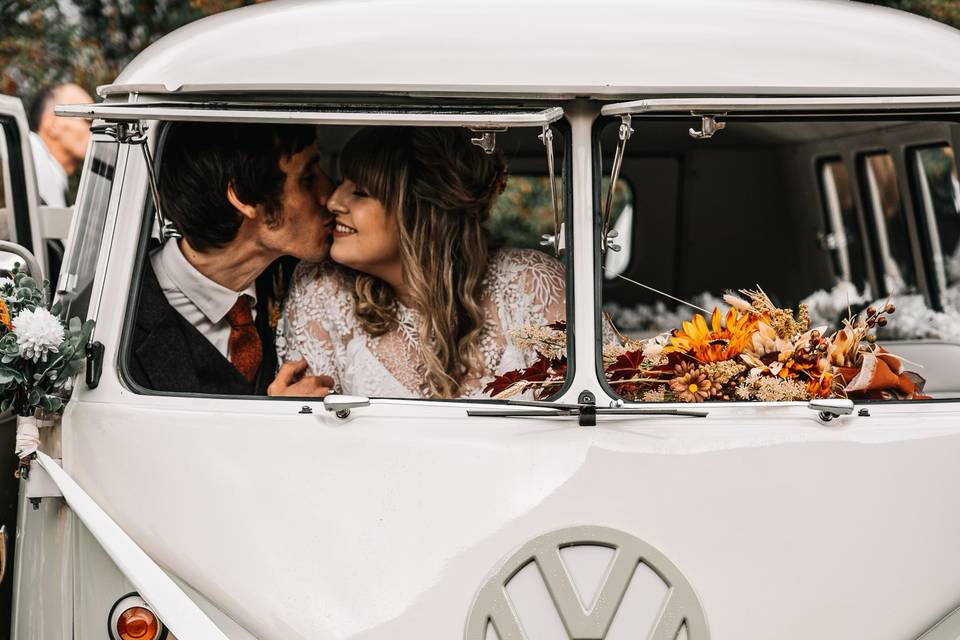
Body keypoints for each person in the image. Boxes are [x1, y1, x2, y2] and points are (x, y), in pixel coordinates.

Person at [275, 126, 566, 399]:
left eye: (360, 192)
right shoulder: (321, 289)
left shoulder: (531, 284)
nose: (333, 201)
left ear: (419, 212)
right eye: (341, 183)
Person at [130, 122, 336, 396]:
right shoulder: (118, 323)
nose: (329, 194)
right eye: (307, 179)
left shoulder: (314, 284)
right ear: (243, 197)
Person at [27, 83, 93, 207]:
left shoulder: (54, 178)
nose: (94, 128)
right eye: (88, 119)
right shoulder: (29, 157)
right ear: (52, 125)